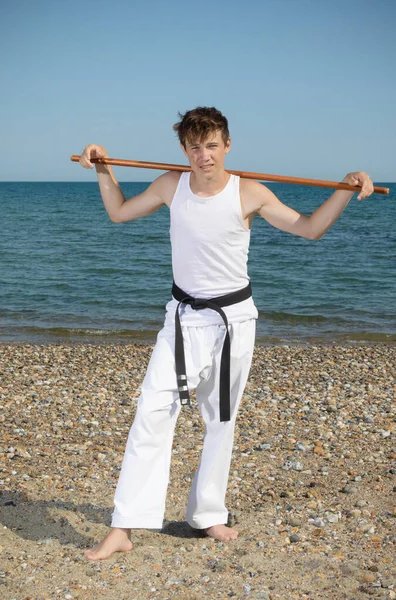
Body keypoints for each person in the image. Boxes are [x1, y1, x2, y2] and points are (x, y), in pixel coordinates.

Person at [78, 107, 374, 560]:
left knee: (220, 420)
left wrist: (344, 187)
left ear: (227, 145)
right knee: (152, 412)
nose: (204, 155)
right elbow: (118, 212)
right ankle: (124, 524)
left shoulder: (249, 193)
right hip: (182, 319)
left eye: (212, 145)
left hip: (235, 322)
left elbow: (310, 229)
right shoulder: (169, 185)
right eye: (195, 147)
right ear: (184, 150)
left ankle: (207, 514)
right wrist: (104, 167)